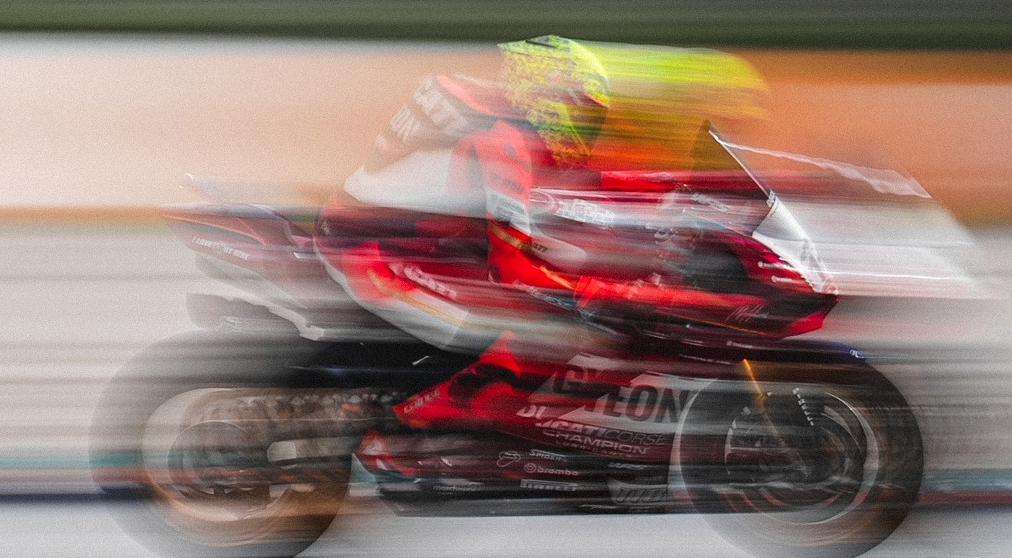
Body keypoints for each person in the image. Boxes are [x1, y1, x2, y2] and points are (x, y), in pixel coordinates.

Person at [320, 36, 814, 457]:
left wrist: (682, 193)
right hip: (375, 256)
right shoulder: (504, 142)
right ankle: (414, 429)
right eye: (584, 111)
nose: (590, 127)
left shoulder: (516, 136)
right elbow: (517, 268)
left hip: (406, 247)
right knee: (538, 329)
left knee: (547, 306)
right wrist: (594, 292)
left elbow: (588, 192)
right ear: (552, 100)